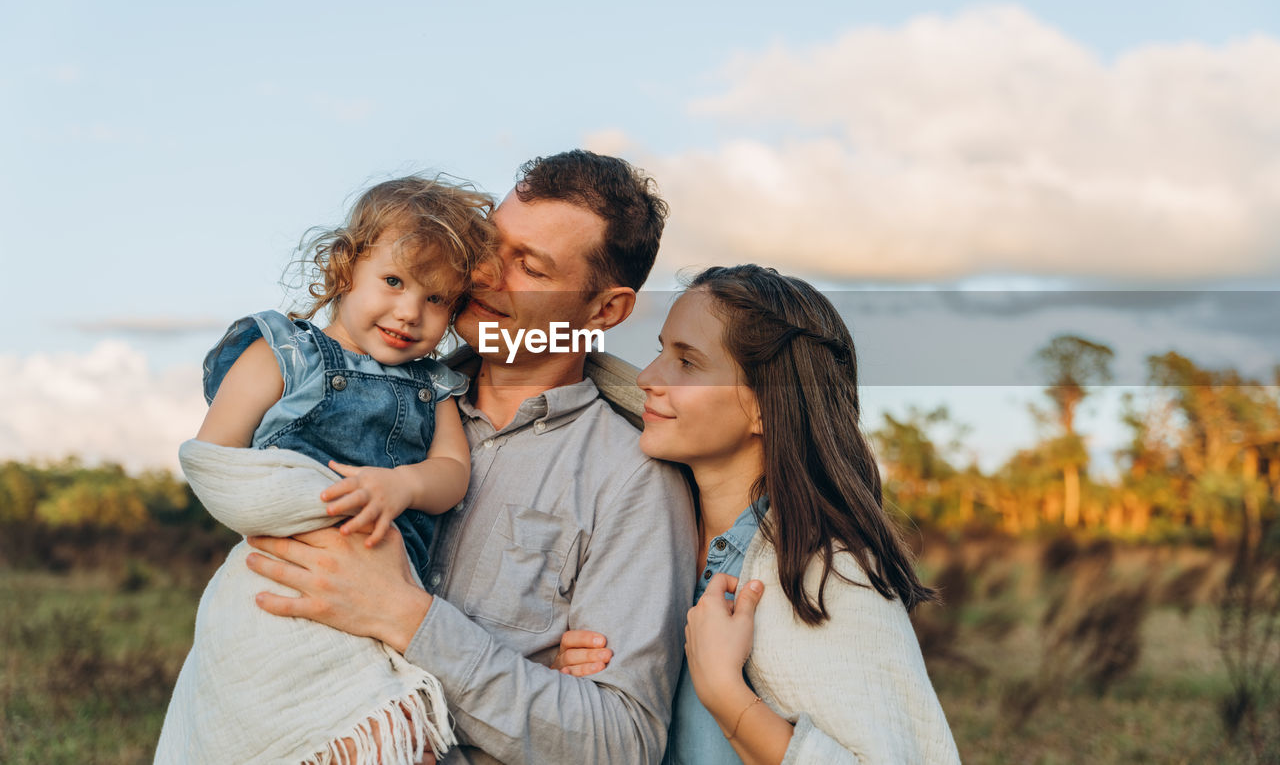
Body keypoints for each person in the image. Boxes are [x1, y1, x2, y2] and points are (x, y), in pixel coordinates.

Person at [245, 150, 698, 764]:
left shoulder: (632, 481)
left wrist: (410, 620)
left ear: (605, 310)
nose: (485, 273)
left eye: (529, 267)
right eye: (488, 245)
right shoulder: (364, 390)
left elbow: (620, 742)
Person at [560, 264, 962, 764]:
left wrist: (726, 694)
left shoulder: (826, 572)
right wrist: (576, 693)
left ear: (764, 408)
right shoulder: (641, 534)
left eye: (687, 362)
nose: (647, 378)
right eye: (660, 350)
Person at [157, 176, 497, 764]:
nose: (409, 312)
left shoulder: (433, 386)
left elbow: (451, 475)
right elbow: (214, 458)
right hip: (281, 578)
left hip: (384, 598)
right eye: (393, 282)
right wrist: (312, 504)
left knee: (389, 740)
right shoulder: (284, 353)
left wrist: (403, 484)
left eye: (437, 299)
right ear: (346, 269)